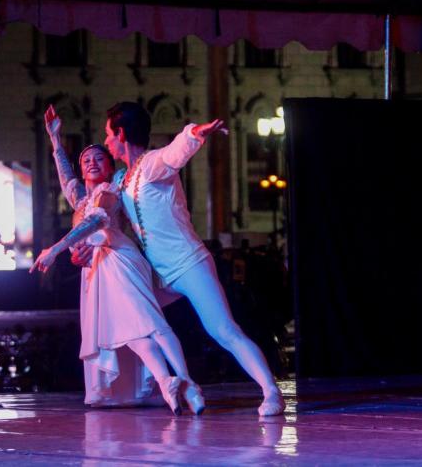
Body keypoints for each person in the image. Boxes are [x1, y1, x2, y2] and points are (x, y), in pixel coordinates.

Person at [73, 102, 285, 415]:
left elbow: (176, 151)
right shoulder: (121, 180)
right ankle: (175, 384)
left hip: (188, 265)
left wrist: (196, 133)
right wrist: (87, 248)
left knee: (223, 330)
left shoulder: (153, 164)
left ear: (120, 133)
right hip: (158, 274)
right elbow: (99, 212)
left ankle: (271, 392)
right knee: (130, 311)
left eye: (108, 135)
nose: (106, 142)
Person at [30, 105, 203, 415]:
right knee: (131, 332)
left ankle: (181, 383)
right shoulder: (80, 197)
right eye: (86, 160)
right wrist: (55, 140)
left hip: (119, 260)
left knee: (148, 325)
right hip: (96, 274)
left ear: (110, 166)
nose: (92, 163)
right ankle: (164, 383)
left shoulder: (111, 190)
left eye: (99, 158)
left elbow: (96, 221)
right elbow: (66, 177)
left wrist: (55, 249)